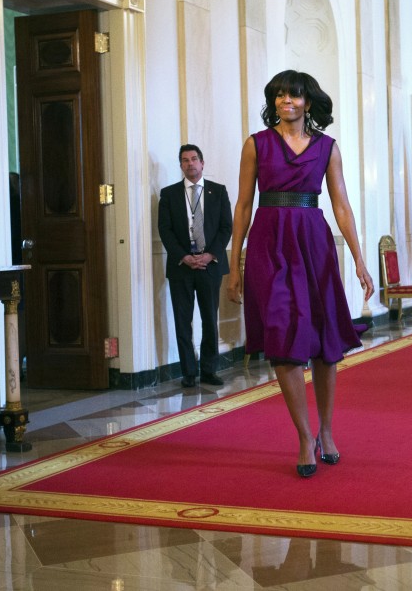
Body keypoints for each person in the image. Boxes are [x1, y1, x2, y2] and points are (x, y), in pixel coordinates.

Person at [227, 70, 374, 478]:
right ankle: (304, 436)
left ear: (308, 102)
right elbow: (243, 206)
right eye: (278, 95)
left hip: (313, 243)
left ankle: (326, 430)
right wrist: (234, 263)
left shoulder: (327, 147)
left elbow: (341, 206)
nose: (285, 101)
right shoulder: (256, 144)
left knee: (325, 341)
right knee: (280, 336)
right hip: (268, 245)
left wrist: (359, 259)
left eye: (292, 95)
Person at [158, 144, 233, 388]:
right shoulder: (169, 194)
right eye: (185, 160)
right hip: (182, 266)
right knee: (183, 321)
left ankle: (209, 370)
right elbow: (165, 230)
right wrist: (184, 256)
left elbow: (226, 227)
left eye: (193, 159)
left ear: (202, 163)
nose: (190, 163)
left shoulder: (218, 191)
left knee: (210, 319)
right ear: (180, 165)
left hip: (210, 265)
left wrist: (210, 255)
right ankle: (188, 372)